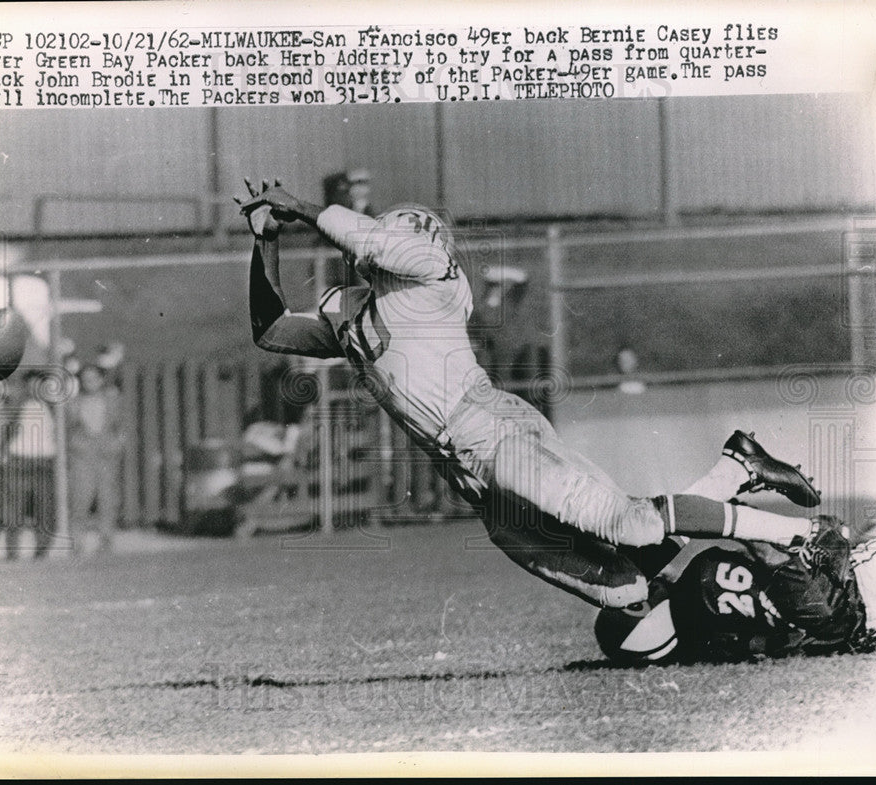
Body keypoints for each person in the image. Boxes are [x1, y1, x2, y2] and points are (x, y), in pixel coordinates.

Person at [234, 179, 823, 609]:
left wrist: (306, 209)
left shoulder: (437, 274)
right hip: (463, 470)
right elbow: (275, 331)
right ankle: (734, 469)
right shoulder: (348, 310)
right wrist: (266, 238)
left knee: (632, 525)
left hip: (490, 430)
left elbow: (375, 246)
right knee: (625, 587)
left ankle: (797, 536)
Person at [593, 514, 876, 663]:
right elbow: (771, 557)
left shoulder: (702, 643)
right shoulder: (700, 580)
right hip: (856, 588)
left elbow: (774, 642)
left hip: (859, 628)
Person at [66, 363, 125, 554]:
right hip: (82, 456)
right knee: (80, 499)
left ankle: (106, 541)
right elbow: (66, 430)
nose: (88, 382)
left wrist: (116, 446)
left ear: (101, 380)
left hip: (106, 456)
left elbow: (122, 427)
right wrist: (75, 446)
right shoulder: (73, 402)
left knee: (107, 499)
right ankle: (76, 542)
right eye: (84, 379)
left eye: (93, 378)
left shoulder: (113, 400)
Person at [1, 369, 57, 559]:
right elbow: (5, 429)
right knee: (14, 510)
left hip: (44, 463)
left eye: (39, 384)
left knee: (45, 510)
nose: (34, 389)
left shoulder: (54, 407)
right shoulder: (16, 405)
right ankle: (12, 554)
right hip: (20, 462)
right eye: (30, 384)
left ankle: (41, 553)